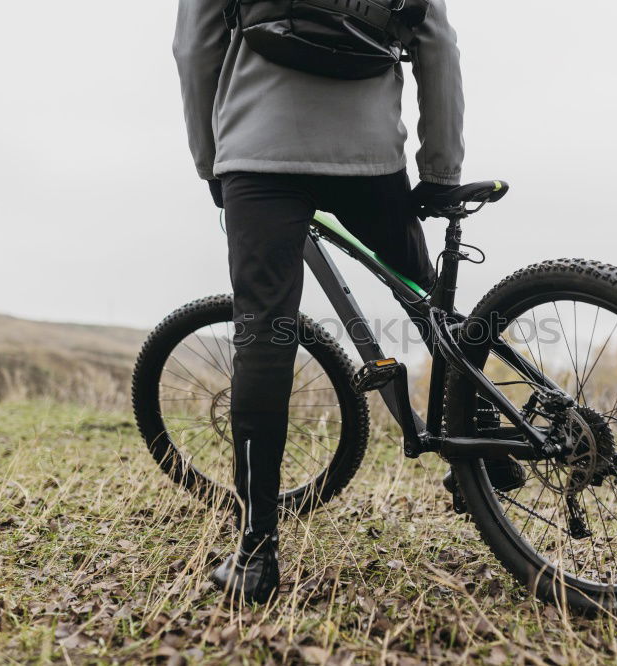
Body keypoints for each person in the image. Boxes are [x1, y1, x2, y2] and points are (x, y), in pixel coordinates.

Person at [172, 0, 464, 603]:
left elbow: (196, 49)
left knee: (263, 335)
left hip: (259, 155)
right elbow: (437, 46)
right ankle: (482, 450)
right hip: (372, 159)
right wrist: (439, 171)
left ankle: (256, 554)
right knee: (427, 303)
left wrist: (212, 164)